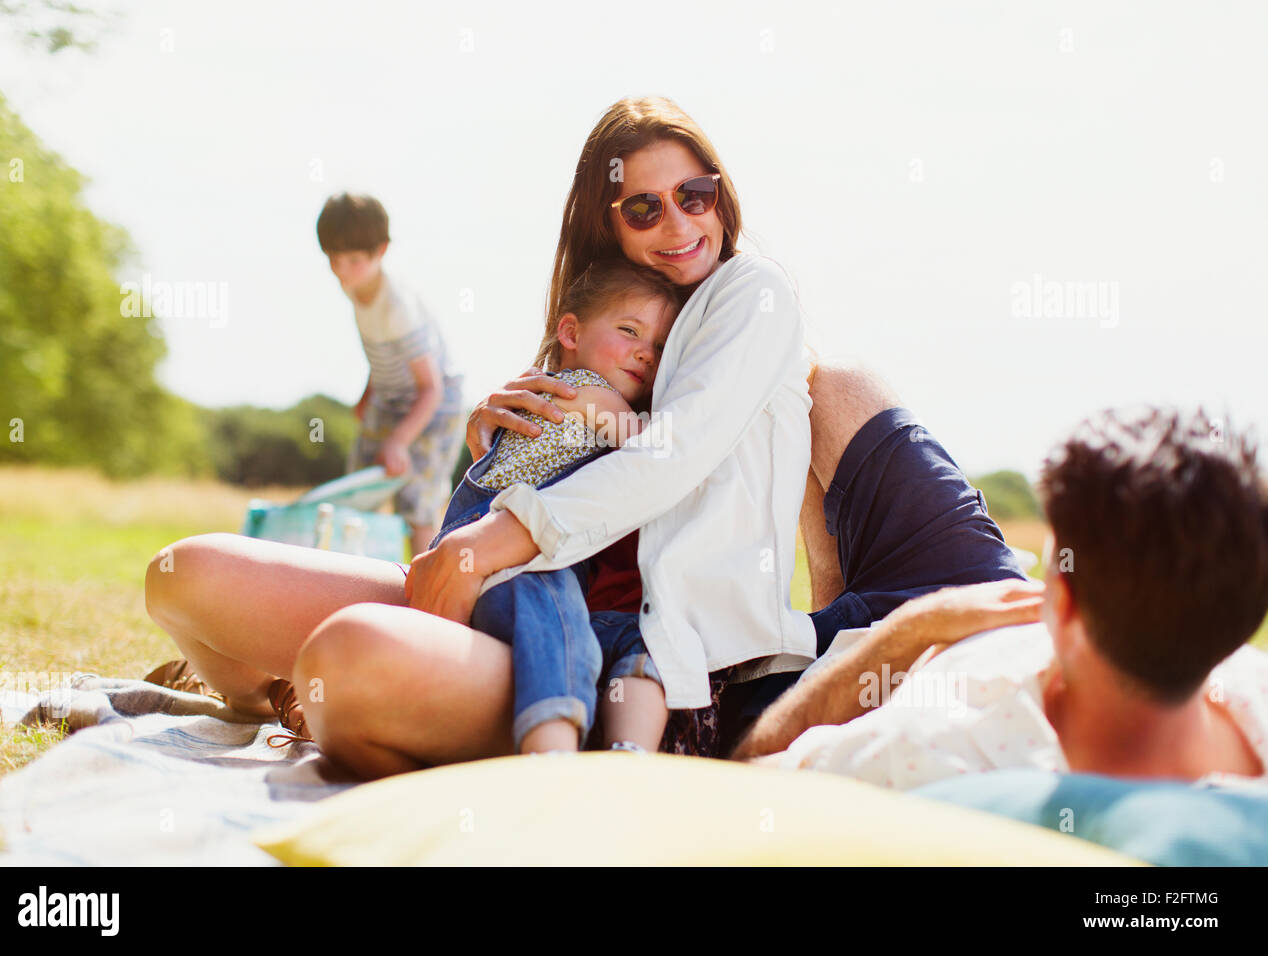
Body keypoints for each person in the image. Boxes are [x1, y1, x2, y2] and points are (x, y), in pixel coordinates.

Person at [143, 96, 1021, 779]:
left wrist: (487, 541)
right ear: (608, 227)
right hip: (517, 596)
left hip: (628, 657)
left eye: (694, 196)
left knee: (352, 658)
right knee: (185, 575)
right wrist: (512, 430)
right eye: (644, 209)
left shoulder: (749, 294)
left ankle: (501, 733)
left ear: (722, 194)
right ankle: (287, 698)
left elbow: (675, 452)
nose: (677, 224)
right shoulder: (616, 331)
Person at [741, 407, 1268, 788]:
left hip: (902, 654)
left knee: (824, 384)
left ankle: (826, 631)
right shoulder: (1247, 698)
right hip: (988, 611)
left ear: (1058, 602)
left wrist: (913, 630)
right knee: (836, 387)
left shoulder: (931, 750)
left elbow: (747, 771)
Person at [433, 257, 681, 754]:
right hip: (507, 546)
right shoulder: (592, 393)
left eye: (659, 346)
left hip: (523, 553)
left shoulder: (540, 391)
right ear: (569, 331)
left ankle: (625, 752)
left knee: (640, 637)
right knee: (561, 631)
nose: (645, 354)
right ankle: (552, 754)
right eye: (629, 330)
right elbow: (657, 457)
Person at [317, 192, 465, 556]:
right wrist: (369, 392)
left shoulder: (398, 308)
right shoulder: (354, 289)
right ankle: (352, 571)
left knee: (416, 501)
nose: (342, 270)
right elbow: (382, 352)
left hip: (433, 406)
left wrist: (399, 440)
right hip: (391, 396)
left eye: (353, 260)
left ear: (380, 251)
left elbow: (429, 387)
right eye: (334, 259)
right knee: (358, 484)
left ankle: (421, 584)